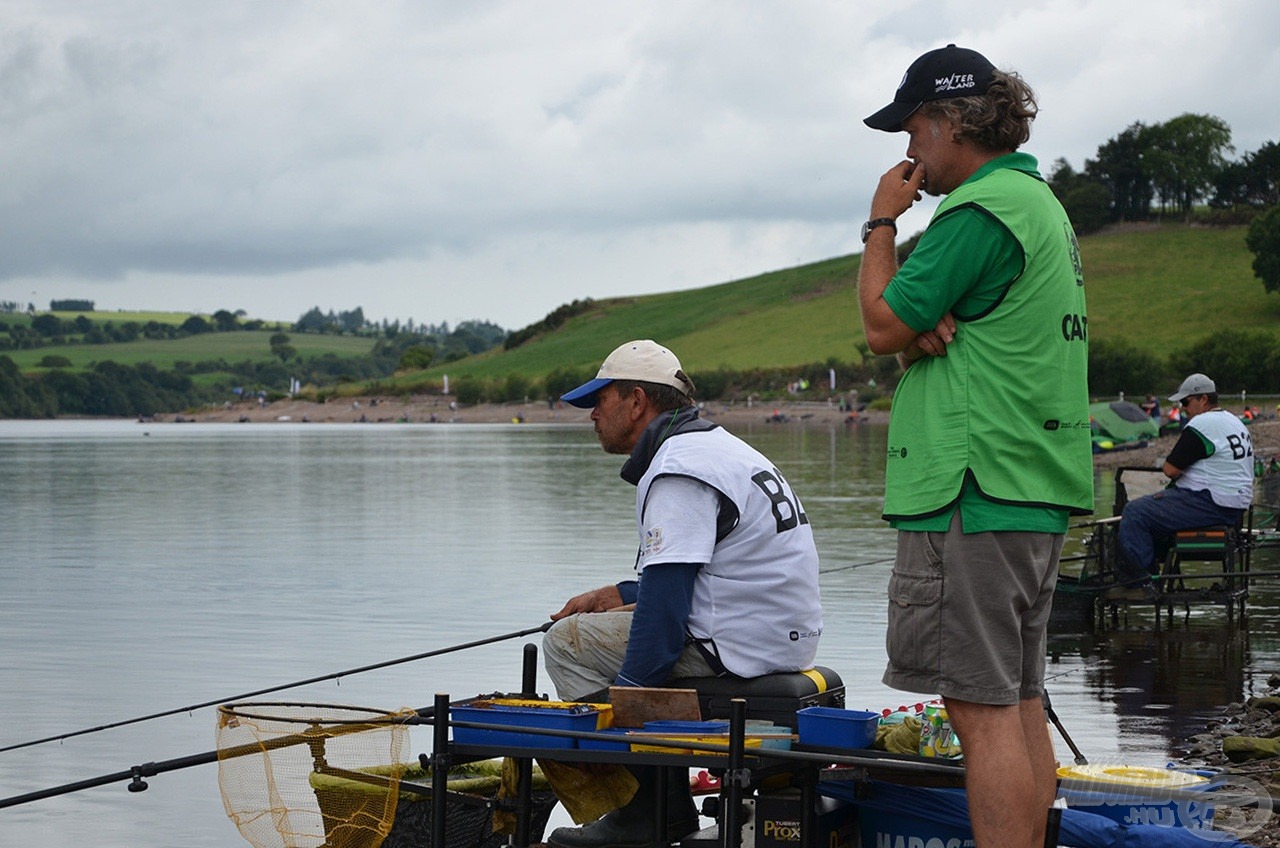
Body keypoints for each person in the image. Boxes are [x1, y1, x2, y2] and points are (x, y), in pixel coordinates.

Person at [857, 45, 1093, 848]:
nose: (909, 148)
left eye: (915, 126)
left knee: (978, 711)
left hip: (972, 487)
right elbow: (920, 327)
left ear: (954, 120)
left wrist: (884, 218)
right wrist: (919, 331)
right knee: (1018, 701)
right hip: (1033, 484)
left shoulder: (979, 209)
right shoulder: (1040, 204)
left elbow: (881, 322)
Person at [542, 339, 823, 848]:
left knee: (565, 643)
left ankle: (643, 812)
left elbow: (664, 620)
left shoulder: (678, 469)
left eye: (599, 400)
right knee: (607, 628)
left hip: (734, 648)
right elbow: (711, 570)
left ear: (635, 401)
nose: (591, 415)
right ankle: (662, 805)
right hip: (778, 637)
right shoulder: (718, 447)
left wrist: (624, 703)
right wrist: (620, 592)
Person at [1109, 373, 1255, 600]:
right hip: (1234, 505)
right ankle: (1153, 575)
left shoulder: (1203, 423)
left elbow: (1170, 469)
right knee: (1152, 507)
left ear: (1203, 399)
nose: (1183, 408)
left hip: (1210, 502)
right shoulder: (1234, 421)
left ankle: (1138, 583)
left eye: (1186, 402)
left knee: (1135, 511)